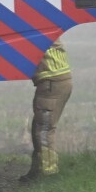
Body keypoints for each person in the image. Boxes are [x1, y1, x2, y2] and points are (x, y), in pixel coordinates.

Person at [22, 39, 73, 180]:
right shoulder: (45, 30)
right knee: (39, 127)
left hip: (52, 83)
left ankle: (48, 173)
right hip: (56, 81)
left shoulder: (35, 31)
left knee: (44, 130)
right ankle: (37, 170)